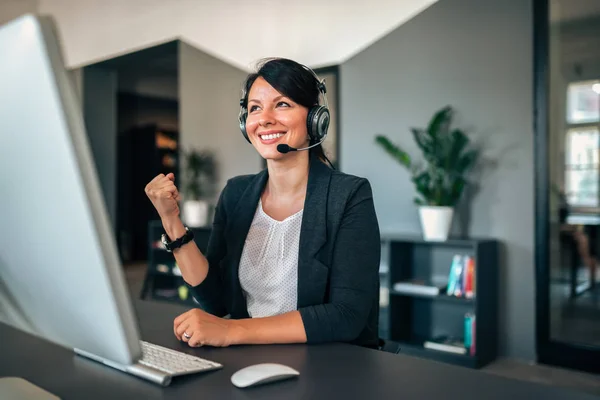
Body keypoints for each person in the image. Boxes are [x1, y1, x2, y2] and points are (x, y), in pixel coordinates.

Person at [145, 58, 381, 349]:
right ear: (246, 124)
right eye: (255, 108)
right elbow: (215, 300)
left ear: (314, 120)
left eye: (282, 104)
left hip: (326, 366)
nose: (264, 118)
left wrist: (232, 331)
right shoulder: (236, 193)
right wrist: (170, 219)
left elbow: (346, 315)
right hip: (249, 360)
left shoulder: (349, 195)